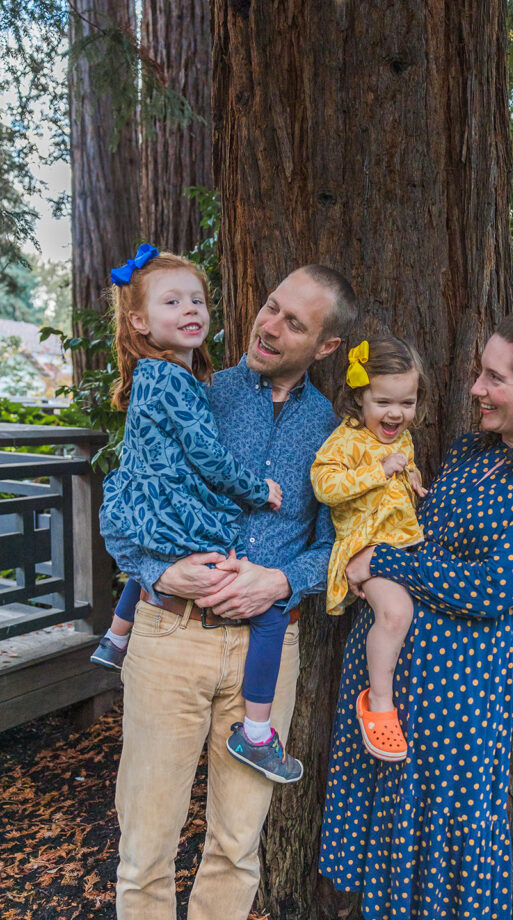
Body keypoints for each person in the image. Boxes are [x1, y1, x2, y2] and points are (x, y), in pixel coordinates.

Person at [319, 308, 513, 920]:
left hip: (458, 695)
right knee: (386, 831)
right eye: (481, 372)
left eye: (495, 378)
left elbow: (490, 589)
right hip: (387, 677)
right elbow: (410, 524)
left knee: (445, 836)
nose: (476, 388)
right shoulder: (470, 448)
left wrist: (385, 562)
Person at [101, 263, 357, 920]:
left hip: (266, 660)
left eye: (293, 323)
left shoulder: (333, 430)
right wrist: (157, 571)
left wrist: (281, 578)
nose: (269, 326)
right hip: (169, 637)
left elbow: (340, 545)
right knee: (144, 850)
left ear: (325, 347)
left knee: (238, 847)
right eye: (271, 306)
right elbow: (127, 502)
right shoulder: (193, 391)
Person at [92, 245, 300, 781]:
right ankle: (256, 735)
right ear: (138, 320)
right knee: (267, 613)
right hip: (176, 513)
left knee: (169, 557)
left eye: (198, 300)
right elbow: (208, 456)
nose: (191, 310)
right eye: (172, 302)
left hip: (155, 508)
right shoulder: (171, 380)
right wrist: (260, 490)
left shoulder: (161, 376)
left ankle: (115, 639)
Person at [311, 336, 428, 762]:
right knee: (396, 614)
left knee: (410, 622)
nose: (396, 413)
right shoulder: (345, 441)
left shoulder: (403, 437)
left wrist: (411, 477)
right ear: (359, 397)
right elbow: (324, 486)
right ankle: (378, 703)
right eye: (383, 402)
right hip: (366, 549)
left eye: (407, 402)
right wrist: (377, 472)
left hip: (403, 547)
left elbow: (404, 463)